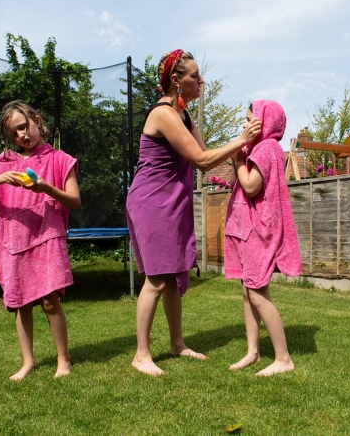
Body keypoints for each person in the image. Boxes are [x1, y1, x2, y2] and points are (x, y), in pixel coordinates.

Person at [126, 49, 261, 376]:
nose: (201, 81)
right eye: (195, 75)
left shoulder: (184, 115)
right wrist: (242, 139)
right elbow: (201, 161)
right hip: (152, 202)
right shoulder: (163, 114)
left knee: (171, 277)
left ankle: (177, 343)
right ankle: (141, 355)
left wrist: (244, 150)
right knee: (157, 279)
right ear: (176, 80)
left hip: (173, 201)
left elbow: (205, 154)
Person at [0, 100, 81, 379]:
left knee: (49, 300)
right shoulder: (3, 165)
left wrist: (45, 186)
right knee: (19, 303)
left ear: (36, 120)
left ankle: (63, 360)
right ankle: (28, 361)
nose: (22, 134)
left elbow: (75, 201)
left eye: (24, 126)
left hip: (46, 236)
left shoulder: (60, 160)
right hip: (14, 241)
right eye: (15, 132)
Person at [224, 100, 302, 376]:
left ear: (264, 121)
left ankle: (283, 358)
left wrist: (236, 158)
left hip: (260, 230)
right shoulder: (255, 149)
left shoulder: (267, 149)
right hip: (249, 231)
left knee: (256, 292)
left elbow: (251, 185)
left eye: (249, 119)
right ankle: (253, 352)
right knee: (248, 291)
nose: (245, 125)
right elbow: (237, 183)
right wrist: (239, 155)